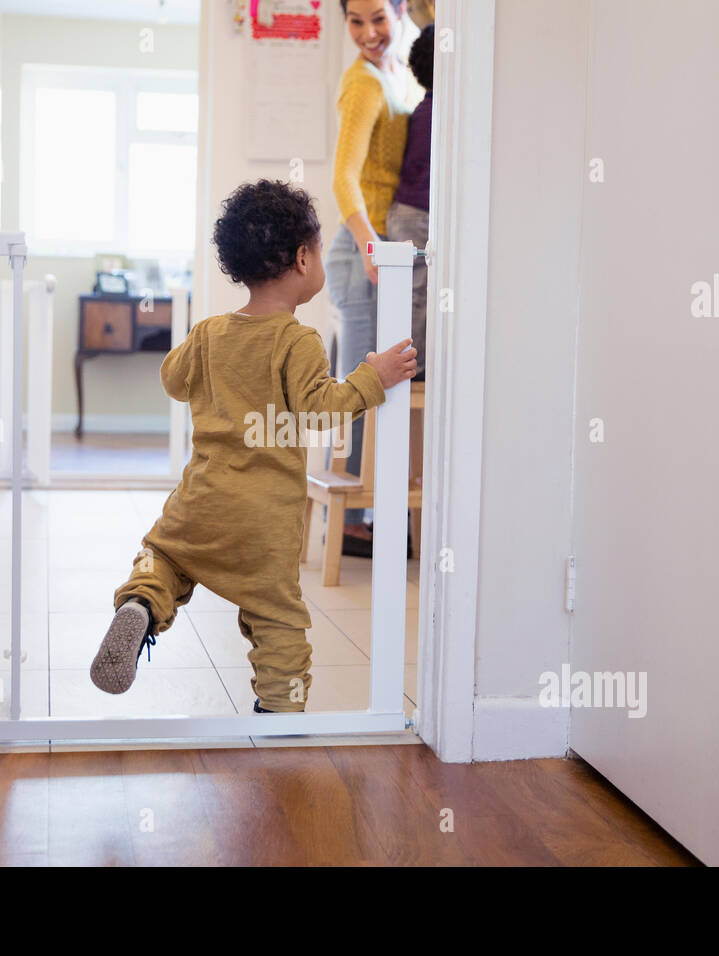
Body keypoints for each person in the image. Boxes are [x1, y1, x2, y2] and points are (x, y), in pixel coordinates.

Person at [88, 180, 417, 713]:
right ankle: (280, 713)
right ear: (304, 258)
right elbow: (320, 409)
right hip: (264, 525)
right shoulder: (298, 339)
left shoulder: (209, 331)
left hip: (200, 505)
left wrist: (204, 353)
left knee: (164, 558)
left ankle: (141, 606)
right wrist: (372, 377)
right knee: (277, 620)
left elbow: (173, 380)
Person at [326, 0, 422, 558]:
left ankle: (358, 512)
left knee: (366, 381)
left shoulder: (395, 74)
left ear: (399, 11)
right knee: (359, 385)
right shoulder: (362, 84)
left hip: (375, 247)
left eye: (378, 19)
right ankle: (348, 521)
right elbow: (343, 178)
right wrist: (370, 249)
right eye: (356, 21)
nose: (367, 33)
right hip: (361, 250)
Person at [385, 24, 433, 382]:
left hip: (409, 213)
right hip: (416, 215)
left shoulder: (425, 110)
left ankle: (415, 367)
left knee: (416, 294)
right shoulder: (437, 115)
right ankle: (415, 370)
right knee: (417, 295)